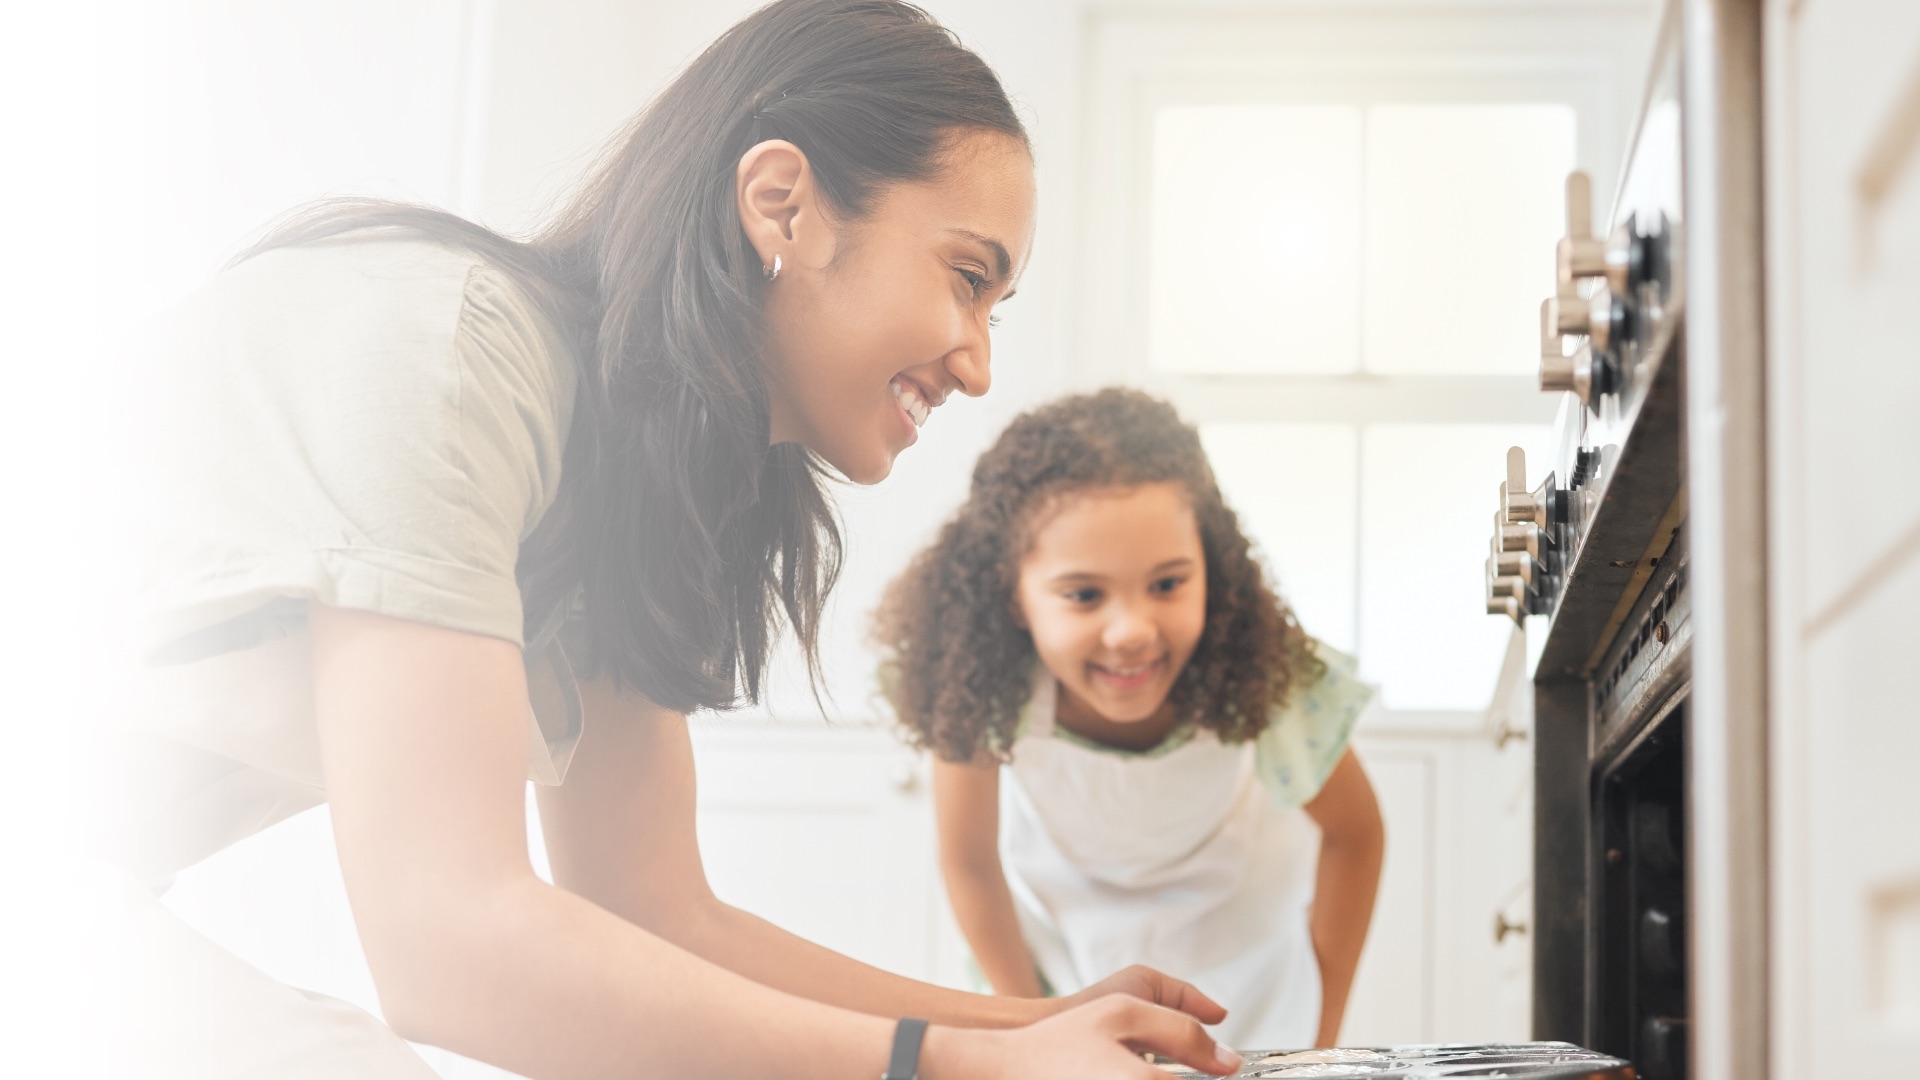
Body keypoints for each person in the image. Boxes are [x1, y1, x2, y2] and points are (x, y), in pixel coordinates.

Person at [105, 3, 1246, 1077]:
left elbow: (656, 911)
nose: (979, 362)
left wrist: (1039, 1024)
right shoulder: (454, 357)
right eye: (966, 278)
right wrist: (960, 1063)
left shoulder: (620, 478)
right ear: (781, 204)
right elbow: (449, 941)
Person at [873, 388, 1387, 1050]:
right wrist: (1037, 1028)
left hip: (1252, 981)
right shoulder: (982, 685)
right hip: (1062, 971)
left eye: (1168, 583)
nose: (1132, 632)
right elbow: (969, 862)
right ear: (1013, 595)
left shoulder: (1261, 669)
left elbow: (1357, 834)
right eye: (1085, 594)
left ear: (1211, 568)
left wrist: (1322, 1030)